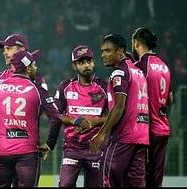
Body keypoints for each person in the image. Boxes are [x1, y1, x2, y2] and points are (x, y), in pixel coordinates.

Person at [0, 50, 76, 187]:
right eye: (34, 65)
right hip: (28, 153)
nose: (36, 68)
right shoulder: (37, 89)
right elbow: (56, 118)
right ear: (28, 68)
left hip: (3, 151)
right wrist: (49, 144)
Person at [90, 34, 149, 187]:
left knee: (107, 179)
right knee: (135, 184)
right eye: (102, 51)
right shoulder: (138, 71)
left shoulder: (120, 72)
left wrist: (101, 134)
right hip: (142, 136)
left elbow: (119, 106)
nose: (103, 55)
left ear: (120, 51)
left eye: (108, 51)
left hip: (124, 136)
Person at [0, 33, 48, 186]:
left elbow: (41, 112)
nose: (4, 52)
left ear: (22, 50)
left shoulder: (37, 80)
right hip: (1, 146)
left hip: (27, 147)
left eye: (8, 48)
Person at [52, 45, 108, 187]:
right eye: (81, 62)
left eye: (88, 61)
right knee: (65, 185)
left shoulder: (105, 87)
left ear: (93, 62)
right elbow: (55, 114)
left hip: (96, 148)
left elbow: (116, 115)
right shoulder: (65, 87)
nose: (86, 65)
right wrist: (74, 120)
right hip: (72, 148)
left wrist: (94, 122)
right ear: (74, 65)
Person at [132, 27, 173, 187]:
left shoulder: (140, 65)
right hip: (163, 128)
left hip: (148, 130)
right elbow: (170, 99)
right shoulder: (164, 66)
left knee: (142, 177)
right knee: (157, 179)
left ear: (136, 43)